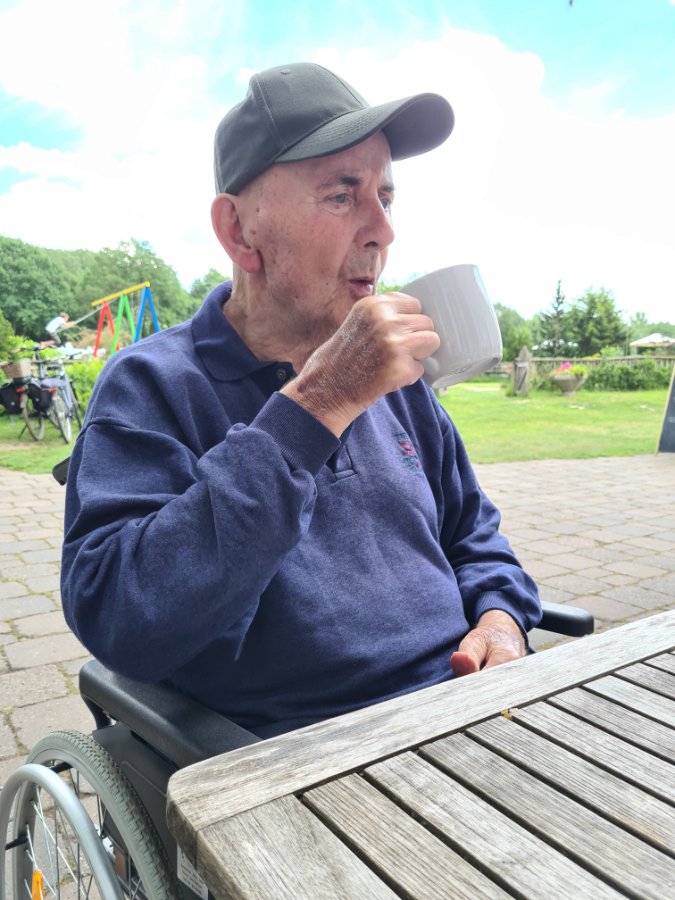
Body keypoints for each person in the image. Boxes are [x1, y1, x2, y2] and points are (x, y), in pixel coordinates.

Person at [61, 62, 541, 738]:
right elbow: (120, 616)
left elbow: (473, 536)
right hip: (302, 753)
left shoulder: (401, 383)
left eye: (385, 196)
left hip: (467, 709)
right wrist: (318, 403)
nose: (383, 230)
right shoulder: (152, 385)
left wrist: (500, 618)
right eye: (342, 195)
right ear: (239, 231)